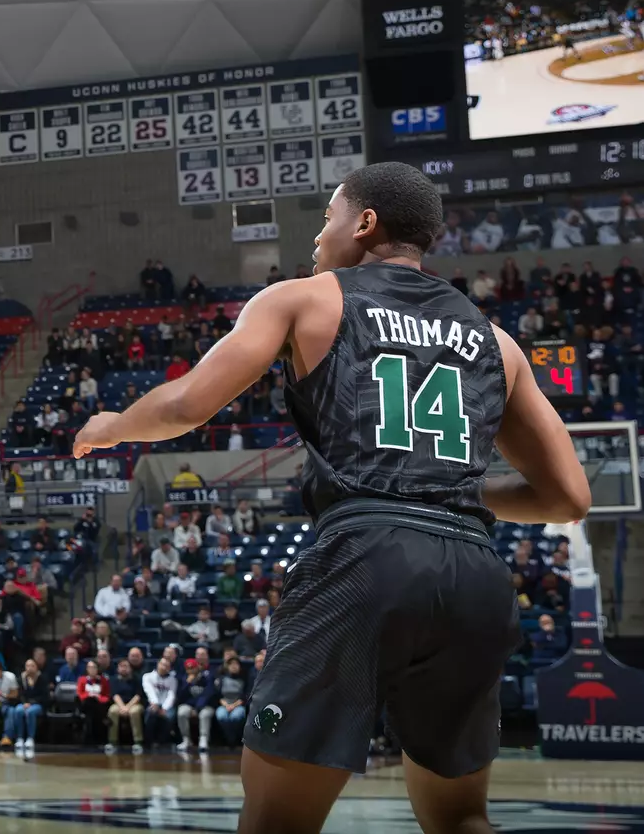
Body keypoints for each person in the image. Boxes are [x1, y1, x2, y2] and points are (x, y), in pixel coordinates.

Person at [74, 162, 591, 834]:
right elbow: (568, 498)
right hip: (473, 570)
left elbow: (184, 405)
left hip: (365, 558)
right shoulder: (499, 343)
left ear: (365, 223)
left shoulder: (306, 298)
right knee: (463, 820)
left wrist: (109, 426)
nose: (319, 237)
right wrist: (444, 490)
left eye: (327, 217)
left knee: (275, 823)